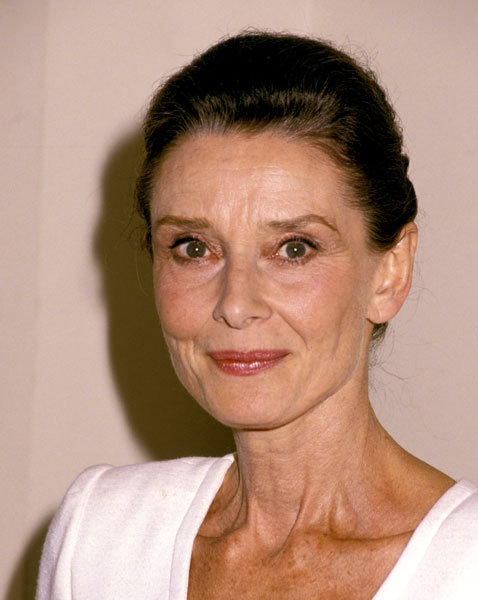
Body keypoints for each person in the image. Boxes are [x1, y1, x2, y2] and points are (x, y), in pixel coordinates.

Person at [36, 31, 478, 599]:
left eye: (293, 248)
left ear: (389, 272)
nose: (236, 304)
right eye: (194, 247)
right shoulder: (98, 537)